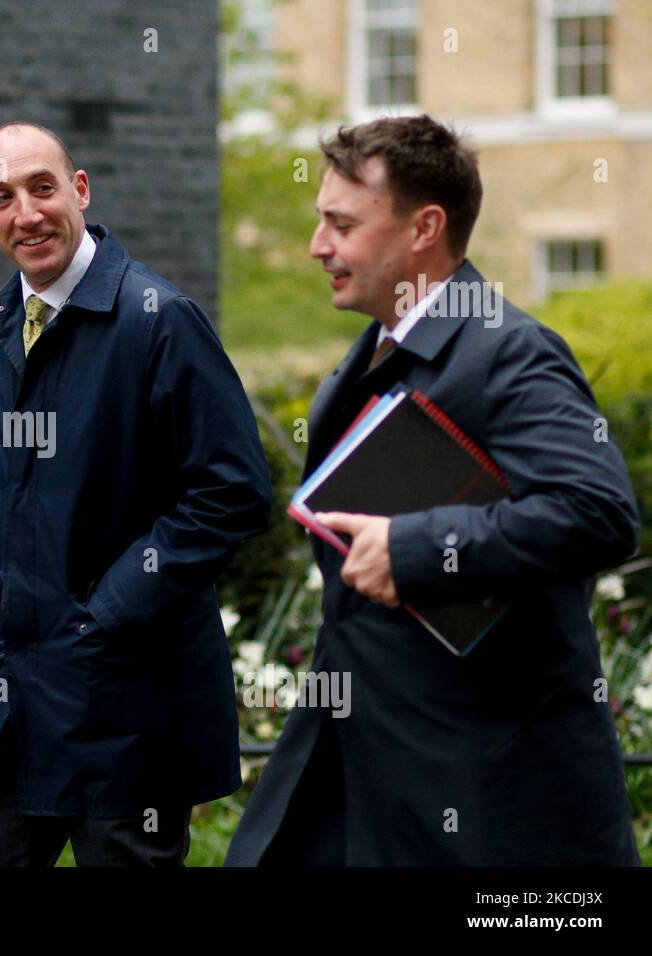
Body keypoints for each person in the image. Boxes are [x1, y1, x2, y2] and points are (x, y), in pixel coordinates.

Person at [226, 114, 641, 866]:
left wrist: (415, 549)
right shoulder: (368, 359)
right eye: (321, 222)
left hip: (481, 793)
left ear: (424, 228)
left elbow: (599, 512)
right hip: (356, 771)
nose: (319, 247)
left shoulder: (510, 352)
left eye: (343, 225)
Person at [0, 121, 271, 866]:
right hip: (17, 699)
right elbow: (2, 514)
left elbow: (234, 491)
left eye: (42, 188)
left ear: (80, 190)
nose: (26, 213)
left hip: (130, 706)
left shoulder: (159, 321)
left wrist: (109, 611)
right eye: (3, 197)